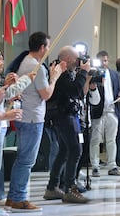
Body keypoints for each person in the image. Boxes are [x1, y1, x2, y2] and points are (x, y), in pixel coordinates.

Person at [5, 32, 65, 212]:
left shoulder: (25, 60)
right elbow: (46, 94)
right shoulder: (36, 66)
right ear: (42, 48)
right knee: (26, 160)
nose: (48, 49)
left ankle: (14, 196)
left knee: (23, 159)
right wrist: (55, 76)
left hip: (26, 115)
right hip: (32, 118)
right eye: (47, 46)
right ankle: (19, 198)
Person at [42, 46, 93, 203]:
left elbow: (79, 93)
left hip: (64, 115)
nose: (79, 62)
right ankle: (70, 188)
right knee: (75, 149)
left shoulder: (63, 71)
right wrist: (83, 73)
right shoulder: (61, 72)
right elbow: (75, 91)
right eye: (77, 59)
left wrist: (84, 76)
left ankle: (52, 187)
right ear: (69, 59)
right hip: (64, 116)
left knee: (64, 150)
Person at [0, 51, 35, 215]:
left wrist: (7, 95)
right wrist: (27, 79)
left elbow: (4, 96)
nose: (1, 61)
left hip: (0, 127)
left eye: (2, 58)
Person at [89, 50, 120, 177]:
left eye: (105, 60)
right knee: (95, 140)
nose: (104, 63)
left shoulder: (114, 74)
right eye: (102, 60)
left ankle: (112, 165)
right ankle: (94, 166)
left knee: (111, 140)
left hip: (112, 110)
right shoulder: (93, 74)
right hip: (98, 111)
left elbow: (118, 90)